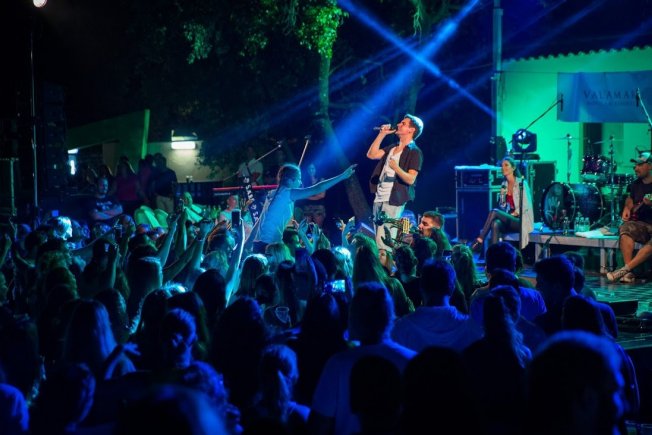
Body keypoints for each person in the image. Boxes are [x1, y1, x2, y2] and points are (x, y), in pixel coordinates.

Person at [250, 163, 356, 254]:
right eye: (298, 178)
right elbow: (317, 188)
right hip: (269, 246)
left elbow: (259, 223)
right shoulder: (287, 194)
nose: (300, 182)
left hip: (259, 244)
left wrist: (247, 244)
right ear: (290, 180)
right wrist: (342, 176)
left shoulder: (272, 194)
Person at [367, 114, 424, 251]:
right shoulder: (392, 147)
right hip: (379, 196)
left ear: (411, 130)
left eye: (403, 123)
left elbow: (411, 179)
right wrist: (382, 134)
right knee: (378, 240)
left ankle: (386, 264)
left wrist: (396, 168)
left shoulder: (414, 152)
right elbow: (371, 155)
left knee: (384, 242)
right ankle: (383, 263)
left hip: (394, 199)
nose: (398, 124)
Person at [471, 156, 534, 251]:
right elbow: (503, 206)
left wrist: (514, 213)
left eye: (506, 165)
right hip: (510, 219)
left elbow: (526, 205)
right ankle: (494, 255)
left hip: (522, 221)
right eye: (502, 165)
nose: (503, 168)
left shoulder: (522, 183)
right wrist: (502, 197)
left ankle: (480, 239)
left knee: (494, 212)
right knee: (495, 223)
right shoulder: (504, 184)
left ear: (513, 168)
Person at [607, 151, 652, 283]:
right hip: (642, 224)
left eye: (639, 165)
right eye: (635, 166)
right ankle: (629, 272)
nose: (636, 168)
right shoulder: (635, 184)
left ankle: (624, 270)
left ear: (650, 166)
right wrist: (627, 208)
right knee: (626, 228)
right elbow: (630, 198)